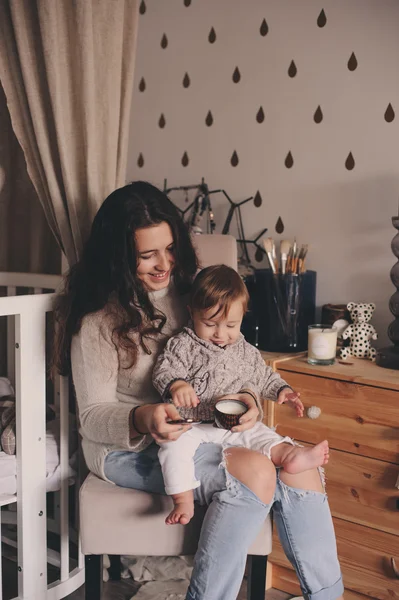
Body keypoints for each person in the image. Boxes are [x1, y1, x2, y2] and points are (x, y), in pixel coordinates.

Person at [53, 181, 344, 600]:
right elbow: (93, 415)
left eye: (169, 249)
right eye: (146, 255)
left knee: (302, 470)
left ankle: (328, 595)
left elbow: (235, 363)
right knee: (258, 471)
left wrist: (248, 403)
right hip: (129, 449)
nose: (162, 264)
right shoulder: (99, 321)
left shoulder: (197, 295)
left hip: (209, 429)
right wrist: (143, 417)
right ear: (119, 257)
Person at [153, 264, 330, 525]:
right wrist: (177, 385)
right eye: (210, 324)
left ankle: (290, 455)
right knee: (171, 447)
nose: (220, 334)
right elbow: (162, 369)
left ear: (242, 318)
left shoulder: (245, 350)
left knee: (262, 433)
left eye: (231, 325)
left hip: (233, 424)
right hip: (191, 425)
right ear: (192, 313)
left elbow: (263, 375)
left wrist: (283, 390)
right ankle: (182, 499)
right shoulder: (183, 344)